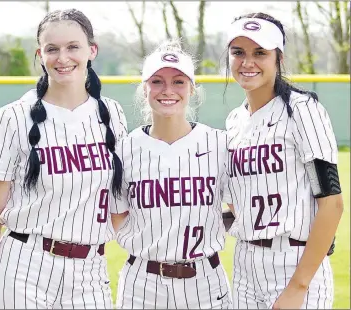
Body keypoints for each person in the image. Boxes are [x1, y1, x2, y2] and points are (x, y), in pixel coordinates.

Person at [0, 8, 127, 309]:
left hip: (90, 271)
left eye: (73, 47)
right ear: (40, 54)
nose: (63, 57)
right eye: (52, 49)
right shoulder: (13, 117)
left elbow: (121, 204)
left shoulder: (112, 115)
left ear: (91, 50)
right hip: (25, 266)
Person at [222, 12, 343, 309]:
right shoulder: (235, 120)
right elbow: (237, 202)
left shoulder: (303, 110)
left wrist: (298, 287)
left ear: (279, 58)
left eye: (260, 53)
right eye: (238, 52)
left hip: (294, 262)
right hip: (245, 262)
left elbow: (332, 203)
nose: (247, 62)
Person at [110, 39, 233, 309]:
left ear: (192, 88)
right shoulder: (124, 149)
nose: (168, 90)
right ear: (144, 89)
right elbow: (118, 216)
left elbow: (239, 209)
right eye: (157, 81)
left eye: (178, 81)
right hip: (143, 283)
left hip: (205, 280)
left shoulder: (218, 144)